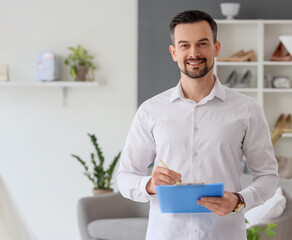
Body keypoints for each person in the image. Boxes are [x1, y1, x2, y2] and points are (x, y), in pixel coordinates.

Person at [118, 10, 279, 240]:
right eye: (184, 45)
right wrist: (150, 184)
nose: (194, 53)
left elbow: (268, 177)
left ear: (216, 48)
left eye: (202, 44)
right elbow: (125, 177)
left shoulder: (247, 110)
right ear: (174, 52)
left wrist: (240, 200)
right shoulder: (150, 111)